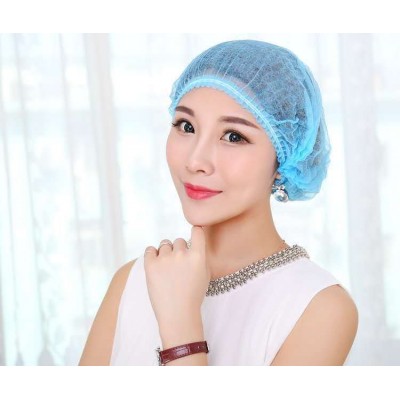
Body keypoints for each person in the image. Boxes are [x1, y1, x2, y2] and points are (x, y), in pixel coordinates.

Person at [79, 39, 358, 366]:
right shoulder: (131, 281)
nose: (195, 161)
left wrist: (181, 323)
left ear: (284, 159)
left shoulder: (320, 307)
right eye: (186, 126)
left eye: (233, 136)